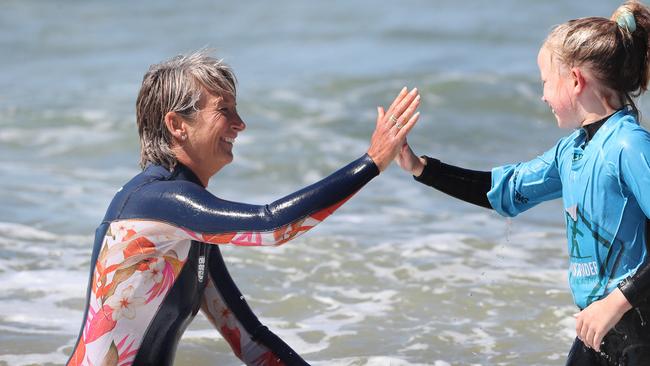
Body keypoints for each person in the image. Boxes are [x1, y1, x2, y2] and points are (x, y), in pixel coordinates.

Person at [66, 50, 421, 366]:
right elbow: (271, 227)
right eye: (224, 110)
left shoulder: (188, 231)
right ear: (177, 125)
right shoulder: (152, 203)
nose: (240, 124)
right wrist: (370, 162)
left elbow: (251, 343)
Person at [395, 1, 650, 365]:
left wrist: (617, 299)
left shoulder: (629, 145)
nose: (543, 94)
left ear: (576, 81)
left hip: (638, 326)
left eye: (546, 81)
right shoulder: (573, 150)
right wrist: (420, 168)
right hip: (599, 328)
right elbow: (507, 190)